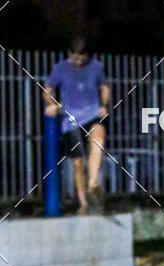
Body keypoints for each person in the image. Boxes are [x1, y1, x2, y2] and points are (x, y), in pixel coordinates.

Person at [43, 37, 110, 215]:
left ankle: (93, 183)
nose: (79, 61)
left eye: (82, 58)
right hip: (70, 120)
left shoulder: (96, 67)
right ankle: (83, 204)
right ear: (69, 54)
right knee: (78, 163)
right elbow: (47, 90)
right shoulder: (60, 68)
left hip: (92, 114)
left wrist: (104, 104)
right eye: (75, 58)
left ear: (88, 55)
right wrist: (50, 104)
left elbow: (104, 87)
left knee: (99, 138)